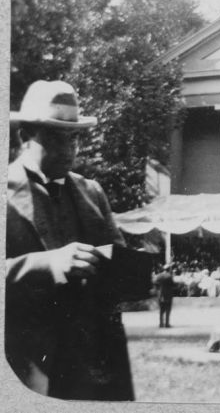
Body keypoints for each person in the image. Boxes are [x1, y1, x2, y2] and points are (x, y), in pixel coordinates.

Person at [6, 80, 136, 400]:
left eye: (74, 137)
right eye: (54, 137)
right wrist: (47, 264)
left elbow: (117, 263)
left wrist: (134, 267)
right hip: (28, 366)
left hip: (93, 365)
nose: (68, 149)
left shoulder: (92, 192)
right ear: (24, 135)